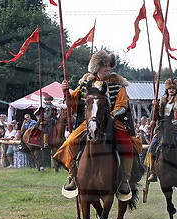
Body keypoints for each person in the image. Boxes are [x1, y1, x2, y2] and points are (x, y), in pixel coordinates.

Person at [53, 50, 142, 197]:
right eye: (104, 66)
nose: (108, 68)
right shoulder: (86, 83)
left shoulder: (118, 84)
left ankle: (125, 180)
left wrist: (112, 115)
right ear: (96, 67)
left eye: (109, 65)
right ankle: (73, 176)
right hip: (90, 122)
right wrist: (65, 92)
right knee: (70, 142)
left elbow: (122, 105)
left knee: (127, 144)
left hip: (113, 122)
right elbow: (74, 103)